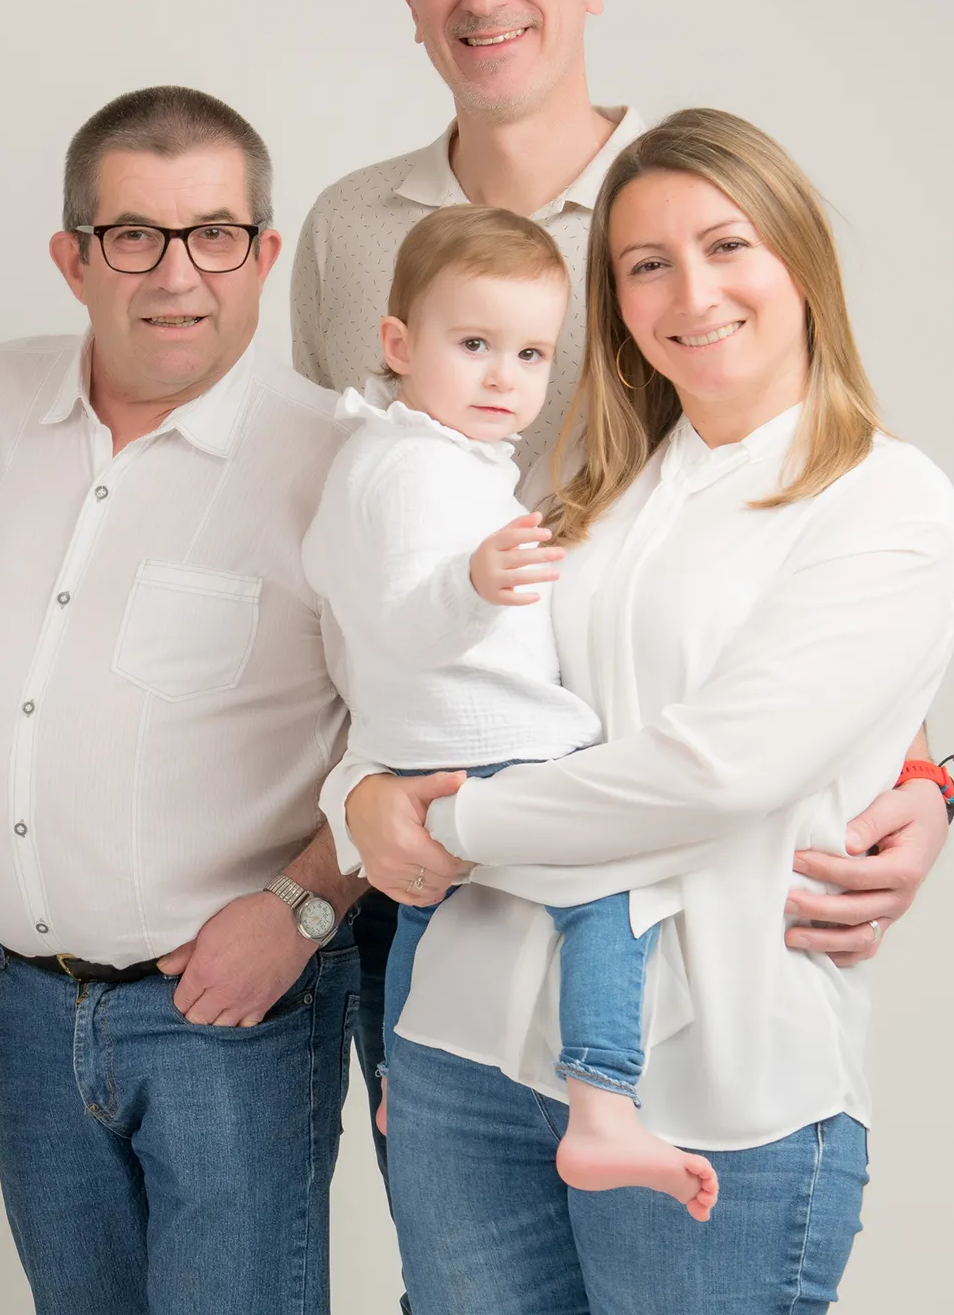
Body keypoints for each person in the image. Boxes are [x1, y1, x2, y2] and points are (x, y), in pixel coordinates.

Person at [291, 0, 952, 1173]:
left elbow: (813, 509)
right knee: (454, 1225)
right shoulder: (353, 231)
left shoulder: (687, 214)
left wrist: (928, 770)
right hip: (420, 823)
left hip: (646, 838)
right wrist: (348, 817)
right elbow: (338, 556)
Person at [330, 109, 954, 1311]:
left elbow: (715, 770)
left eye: (727, 246)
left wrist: (447, 823)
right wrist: (356, 796)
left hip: (715, 1083)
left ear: (799, 257)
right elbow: (423, 674)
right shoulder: (576, 487)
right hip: (467, 1051)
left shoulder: (886, 501)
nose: (693, 292)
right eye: (646, 264)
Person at [0, 85, 362, 1315]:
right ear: (73, 258)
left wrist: (303, 910)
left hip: (231, 1018)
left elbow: (417, 740)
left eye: (214, 233)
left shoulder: (335, 461)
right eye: (134, 236)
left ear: (264, 254)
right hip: (24, 1003)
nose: (178, 274)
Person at [301, 203, 714, 1220]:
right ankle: (604, 1101)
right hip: (496, 748)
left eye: (530, 354)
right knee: (616, 886)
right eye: (474, 345)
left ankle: (402, 1079)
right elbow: (401, 619)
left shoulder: (406, 453)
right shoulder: (415, 466)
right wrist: (472, 584)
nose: (504, 378)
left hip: (431, 753)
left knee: (427, 919)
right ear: (399, 344)